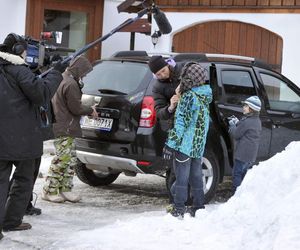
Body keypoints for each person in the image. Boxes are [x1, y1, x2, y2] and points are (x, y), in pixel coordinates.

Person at [0, 33, 66, 236]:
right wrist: (56, 72)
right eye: (24, 51)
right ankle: (11, 221)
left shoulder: (8, 70)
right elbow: (41, 94)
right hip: (22, 139)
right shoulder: (19, 71)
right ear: (16, 52)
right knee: (23, 179)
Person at [42, 55, 98, 203]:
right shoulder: (70, 83)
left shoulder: (63, 78)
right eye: (85, 71)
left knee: (70, 159)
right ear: (79, 69)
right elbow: (76, 107)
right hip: (65, 126)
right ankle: (49, 190)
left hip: (65, 125)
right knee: (63, 159)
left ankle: (65, 189)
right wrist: (90, 110)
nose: (85, 75)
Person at [164, 62, 212, 218]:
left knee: (182, 178)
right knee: (196, 176)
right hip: (197, 145)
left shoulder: (188, 97)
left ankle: (179, 208)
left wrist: (170, 144)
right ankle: (199, 206)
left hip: (184, 145)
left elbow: (180, 123)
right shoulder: (205, 95)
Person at [148, 55, 184, 205]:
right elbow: (160, 113)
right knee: (175, 167)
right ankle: (174, 202)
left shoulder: (182, 70)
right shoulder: (157, 87)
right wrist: (170, 106)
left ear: (168, 66)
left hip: (191, 123)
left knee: (190, 163)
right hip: (174, 126)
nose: (162, 75)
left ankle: (187, 200)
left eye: (163, 71)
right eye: (158, 74)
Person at [228, 95, 262, 193]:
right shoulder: (257, 121)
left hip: (241, 154)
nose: (243, 107)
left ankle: (236, 194)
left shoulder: (246, 121)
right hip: (251, 156)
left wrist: (232, 125)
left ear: (251, 109)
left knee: (237, 174)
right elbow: (246, 129)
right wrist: (238, 123)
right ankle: (243, 193)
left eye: (246, 106)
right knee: (244, 174)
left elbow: (236, 134)